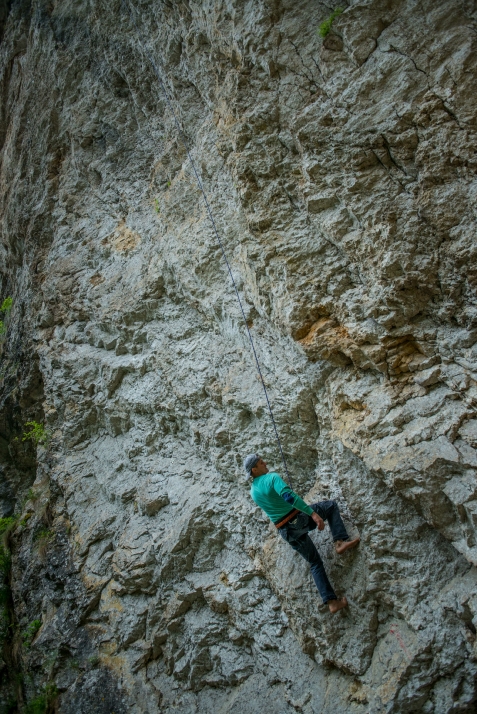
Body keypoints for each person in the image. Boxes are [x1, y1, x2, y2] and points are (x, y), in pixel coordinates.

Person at [244, 453, 360, 614]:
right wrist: (312, 513)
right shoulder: (272, 478)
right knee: (331, 506)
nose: (265, 463)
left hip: (285, 530)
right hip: (297, 518)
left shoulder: (253, 492)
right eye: (261, 462)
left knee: (315, 563)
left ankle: (332, 602)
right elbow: (288, 497)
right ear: (254, 469)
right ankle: (340, 541)